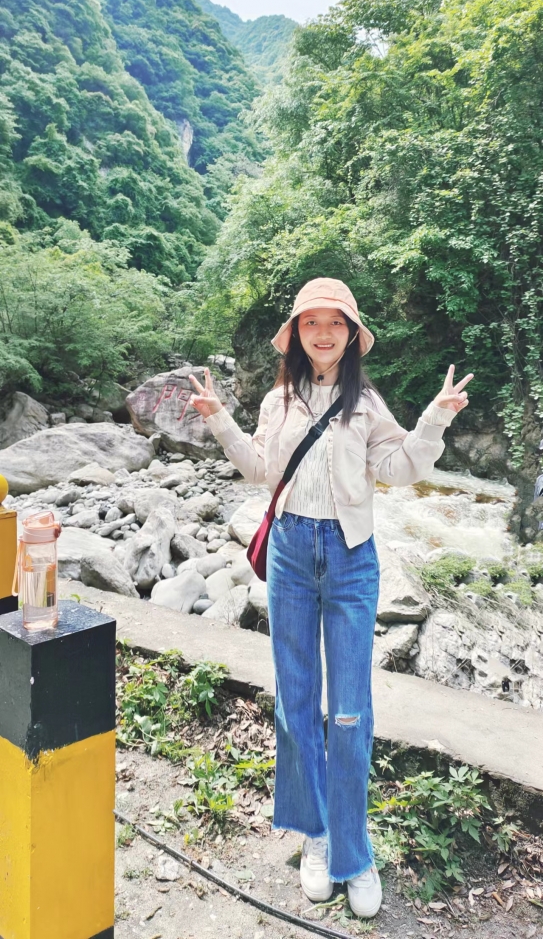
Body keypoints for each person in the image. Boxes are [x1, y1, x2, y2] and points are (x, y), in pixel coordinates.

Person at [189, 278, 473, 918]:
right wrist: (218, 419)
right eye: (311, 321)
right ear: (295, 333)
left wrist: (435, 418)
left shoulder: (366, 403)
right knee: (296, 705)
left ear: (350, 334)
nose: (323, 332)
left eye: (335, 322)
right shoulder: (277, 401)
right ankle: (315, 836)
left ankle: (353, 852)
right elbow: (261, 471)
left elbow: (401, 470)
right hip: (290, 554)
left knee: (349, 711)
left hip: (350, 560)